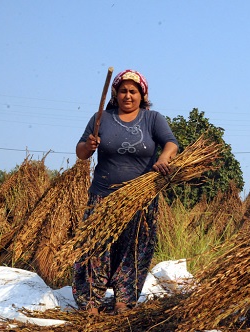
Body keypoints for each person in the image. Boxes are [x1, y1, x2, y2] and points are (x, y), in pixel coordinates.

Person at [73, 69, 179, 315]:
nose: (128, 96)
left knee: (134, 248)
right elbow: (80, 152)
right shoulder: (102, 118)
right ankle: (90, 301)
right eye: (123, 91)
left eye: (133, 91)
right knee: (95, 248)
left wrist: (163, 158)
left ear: (142, 95)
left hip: (139, 200)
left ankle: (124, 299)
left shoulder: (152, 119)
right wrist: (88, 145)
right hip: (103, 197)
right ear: (115, 93)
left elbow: (171, 143)